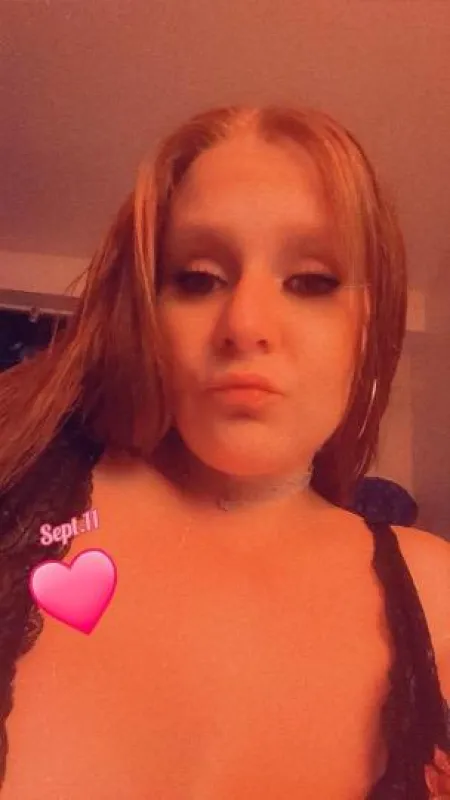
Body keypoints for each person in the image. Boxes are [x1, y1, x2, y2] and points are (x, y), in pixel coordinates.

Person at [0, 104, 449, 799]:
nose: (245, 324)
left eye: (312, 280)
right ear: (148, 313)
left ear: (370, 326)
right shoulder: (16, 483)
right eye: (199, 278)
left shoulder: (437, 594)